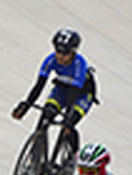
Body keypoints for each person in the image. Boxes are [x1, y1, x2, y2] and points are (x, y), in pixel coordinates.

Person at [11, 27, 97, 161]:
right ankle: (35, 158)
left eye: (65, 53)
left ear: (73, 52)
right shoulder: (50, 60)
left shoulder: (79, 63)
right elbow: (39, 85)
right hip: (62, 89)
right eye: (58, 51)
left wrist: (68, 120)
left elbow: (74, 94)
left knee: (68, 125)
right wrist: (25, 106)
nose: (60, 56)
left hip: (82, 94)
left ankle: (73, 156)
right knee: (46, 115)